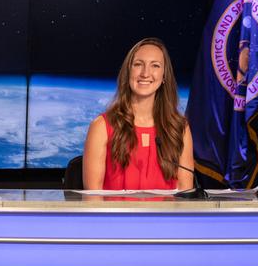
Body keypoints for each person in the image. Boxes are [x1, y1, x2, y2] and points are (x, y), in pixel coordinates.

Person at [83, 38, 194, 190]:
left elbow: (185, 193)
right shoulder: (101, 127)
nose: (145, 73)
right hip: (116, 214)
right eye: (138, 64)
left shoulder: (179, 128)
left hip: (166, 214)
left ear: (164, 77)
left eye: (155, 65)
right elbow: (93, 199)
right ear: (128, 71)